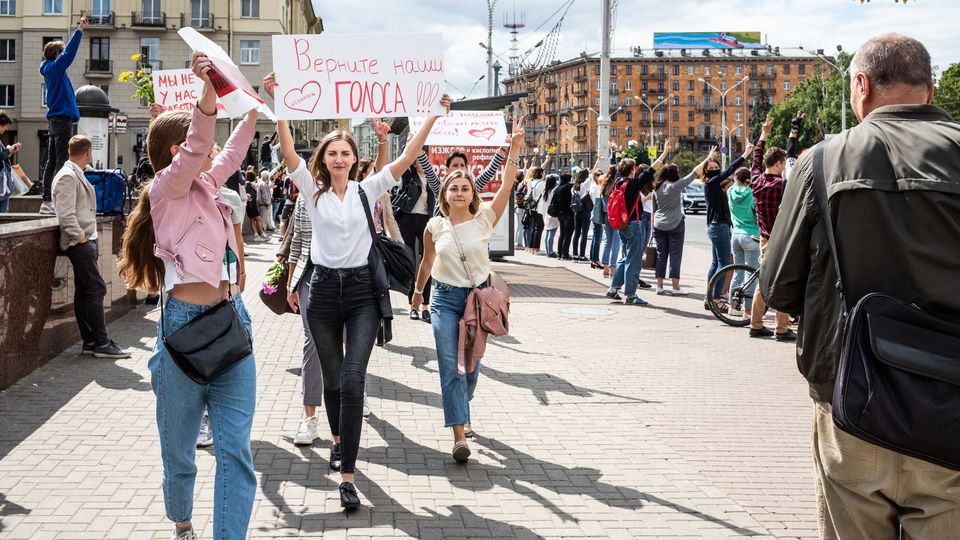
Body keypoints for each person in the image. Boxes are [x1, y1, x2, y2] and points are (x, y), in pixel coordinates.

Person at [760, 33, 960, 539]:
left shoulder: (822, 162)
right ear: (930, 88)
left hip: (853, 404)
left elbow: (779, 287)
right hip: (954, 410)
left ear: (861, 86)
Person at [265, 72, 448, 510]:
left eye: (347, 152)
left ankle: (347, 475)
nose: (340, 158)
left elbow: (407, 156)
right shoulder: (312, 193)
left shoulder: (369, 188)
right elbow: (289, 151)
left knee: (352, 379)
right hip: (324, 292)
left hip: (364, 294)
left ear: (355, 157)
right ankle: (337, 439)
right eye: (333, 153)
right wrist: (280, 102)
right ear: (324, 160)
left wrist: (431, 117)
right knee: (331, 381)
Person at [119, 53, 259, 540]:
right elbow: (204, 141)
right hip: (181, 332)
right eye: (200, 146)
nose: (211, 151)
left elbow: (230, 153)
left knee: (235, 454)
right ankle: (182, 522)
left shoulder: (204, 185)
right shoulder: (166, 190)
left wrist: (256, 108)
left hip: (229, 321)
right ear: (180, 151)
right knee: (179, 455)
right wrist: (209, 90)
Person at [411, 115, 524, 463]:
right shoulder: (435, 226)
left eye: (465, 188)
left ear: (472, 194)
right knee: (450, 366)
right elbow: (428, 263)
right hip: (444, 300)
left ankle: (462, 405)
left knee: (471, 368)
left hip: (476, 302)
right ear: (444, 193)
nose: (459, 192)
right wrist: (418, 292)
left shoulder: (484, 220)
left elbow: (505, 186)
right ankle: (459, 434)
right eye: (453, 188)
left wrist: (515, 148)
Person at [51, 134, 130, 359]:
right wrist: (81, 238)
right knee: (97, 290)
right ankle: (102, 343)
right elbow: (65, 215)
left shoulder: (74, 173)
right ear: (88, 153)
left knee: (86, 292)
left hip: (83, 242)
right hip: (79, 244)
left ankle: (91, 342)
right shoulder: (68, 176)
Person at [606, 143, 672, 305]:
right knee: (634, 261)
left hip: (621, 225)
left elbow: (619, 166)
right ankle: (631, 295)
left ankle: (613, 289)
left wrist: (617, 153)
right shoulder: (633, 184)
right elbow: (652, 169)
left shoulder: (617, 182)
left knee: (624, 257)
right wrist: (664, 154)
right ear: (632, 169)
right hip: (633, 224)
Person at [748, 115, 795, 341]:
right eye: (784, 163)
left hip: (764, 238)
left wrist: (764, 134)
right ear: (778, 163)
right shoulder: (782, 185)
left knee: (764, 281)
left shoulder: (755, 181)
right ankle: (782, 328)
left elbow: (755, 158)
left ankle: (756, 324)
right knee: (782, 282)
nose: (784, 166)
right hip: (780, 240)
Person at [38, 11, 88, 215]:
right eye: (61, 52)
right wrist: (80, 30)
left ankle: (47, 201)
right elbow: (69, 53)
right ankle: (55, 201)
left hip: (57, 120)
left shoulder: (52, 71)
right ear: (56, 55)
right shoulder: (56, 69)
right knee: (61, 160)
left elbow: (65, 55)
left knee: (52, 160)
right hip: (62, 120)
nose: (63, 55)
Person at [652, 146, 716, 296]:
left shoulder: (656, 189)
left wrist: (653, 229)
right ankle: (675, 287)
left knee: (661, 255)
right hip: (675, 224)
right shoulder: (676, 186)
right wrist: (708, 157)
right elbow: (694, 173)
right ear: (674, 174)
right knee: (675, 255)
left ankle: (659, 286)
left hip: (659, 225)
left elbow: (654, 211)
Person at [701, 143, 753, 311]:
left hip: (716, 227)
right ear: (707, 171)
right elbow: (730, 169)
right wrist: (745, 155)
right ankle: (715, 298)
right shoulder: (713, 182)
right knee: (724, 263)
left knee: (716, 263)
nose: (716, 169)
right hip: (719, 227)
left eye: (717, 166)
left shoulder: (712, 183)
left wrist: (710, 157)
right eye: (712, 167)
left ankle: (709, 297)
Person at [726, 167, 760, 319]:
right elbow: (756, 213)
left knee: (737, 271)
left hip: (736, 234)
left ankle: (733, 307)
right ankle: (748, 311)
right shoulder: (752, 193)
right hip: (751, 234)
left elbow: (735, 184)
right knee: (751, 274)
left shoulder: (730, 191)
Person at [598, 165, 620, 278]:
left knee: (608, 241)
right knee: (616, 242)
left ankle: (605, 267)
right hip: (615, 215)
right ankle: (613, 268)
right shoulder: (616, 185)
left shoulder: (604, 184)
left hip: (606, 215)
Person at [0, 113, 23, 213]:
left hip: (3, 181)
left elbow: (3, 158)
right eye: (5, 126)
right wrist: (11, 149)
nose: (6, 129)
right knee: (2, 213)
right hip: (1, 182)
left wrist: (12, 150)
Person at [570, 168, 594, 262]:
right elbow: (591, 176)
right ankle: (582, 255)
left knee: (576, 232)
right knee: (584, 233)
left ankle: (575, 255)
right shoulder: (584, 185)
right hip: (585, 211)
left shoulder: (574, 188)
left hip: (577, 211)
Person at [552, 173, 574, 260]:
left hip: (560, 214)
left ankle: (559, 253)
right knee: (568, 234)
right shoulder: (567, 188)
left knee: (562, 234)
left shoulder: (557, 189)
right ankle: (565, 254)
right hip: (568, 213)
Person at [540, 174, 560, 257]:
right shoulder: (553, 191)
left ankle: (548, 251)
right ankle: (550, 251)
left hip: (545, 214)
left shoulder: (545, 190)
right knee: (551, 232)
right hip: (553, 214)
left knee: (547, 232)